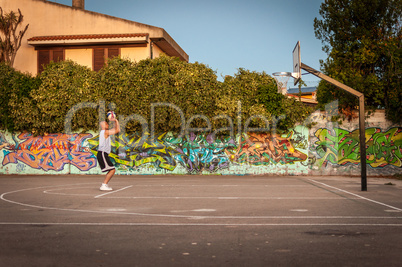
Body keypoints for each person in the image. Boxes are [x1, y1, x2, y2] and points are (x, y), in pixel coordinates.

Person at [97, 116, 120, 191]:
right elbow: (117, 130)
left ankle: (104, 184)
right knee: (112, 170)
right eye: (106, 123)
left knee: (111, 170)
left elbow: (116, 129)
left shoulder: (105, 132)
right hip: (102, 153)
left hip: (103, 154)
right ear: (102, 126)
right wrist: (116, 120)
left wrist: (115, 121)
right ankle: (104, 185)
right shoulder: (105, 132)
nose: (107, 124)